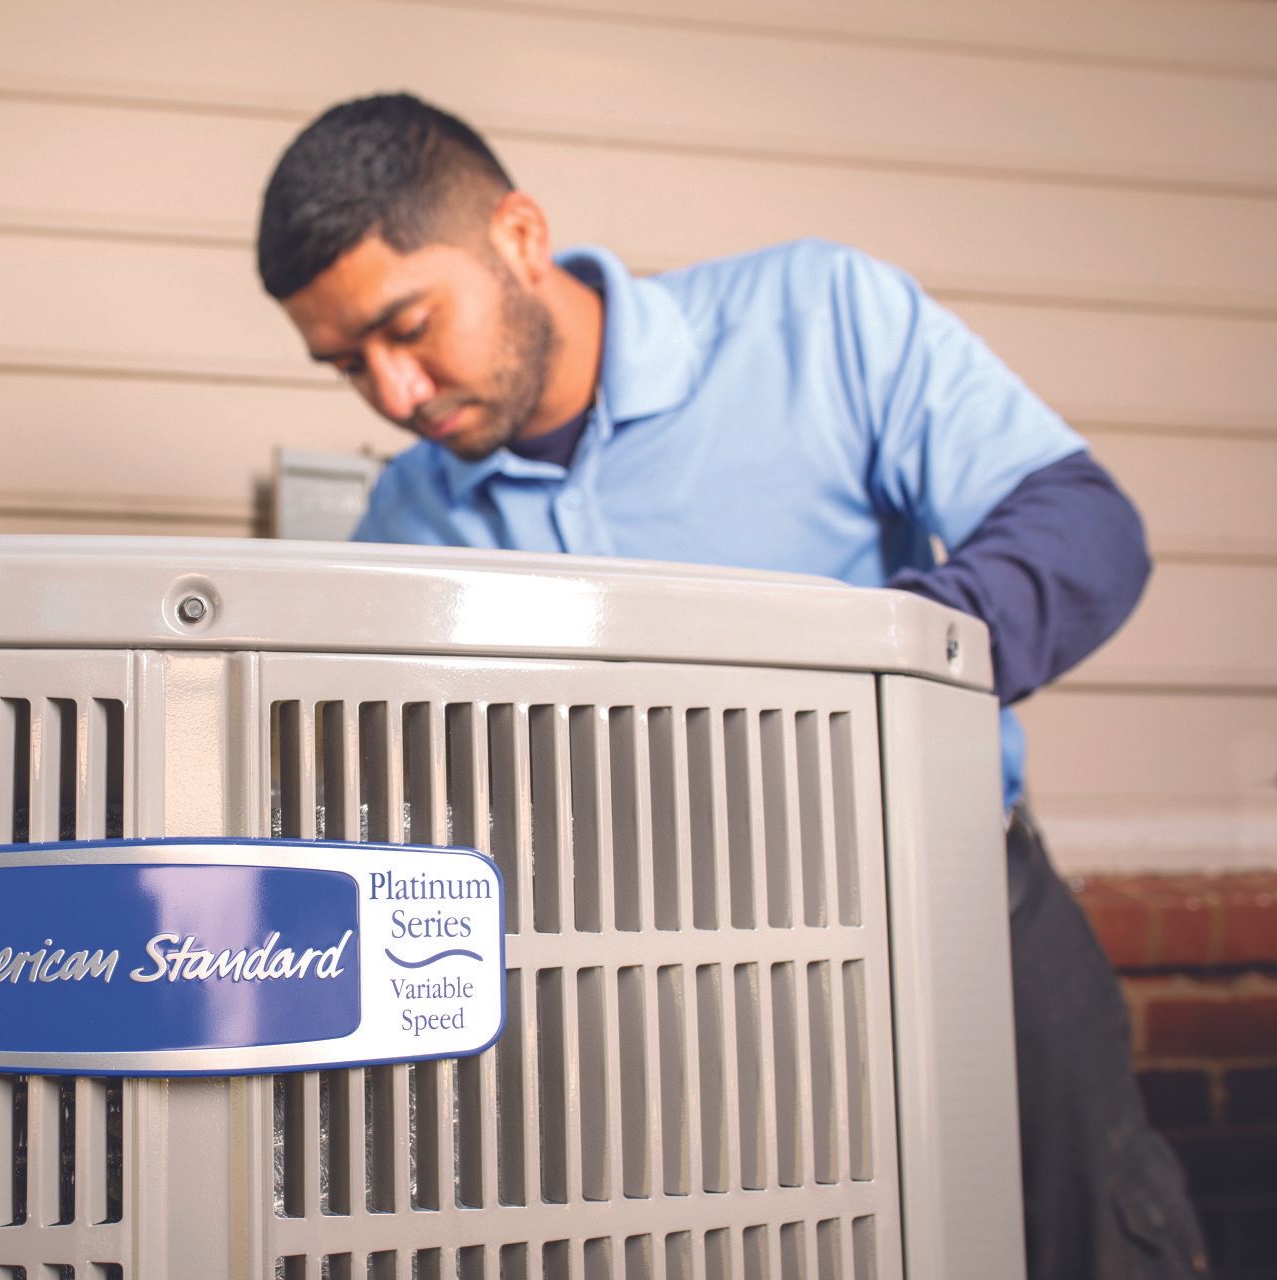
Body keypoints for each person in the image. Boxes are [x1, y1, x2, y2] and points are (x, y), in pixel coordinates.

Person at [256, 92, 1207, 1279]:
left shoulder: (821, 316)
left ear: (520, 237)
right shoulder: (404, 520)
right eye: (349, 365)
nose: (394, 394)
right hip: (638, 1019)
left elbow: (1085, 528)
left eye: (408, 326)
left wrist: (864, 684)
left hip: (959, 930)